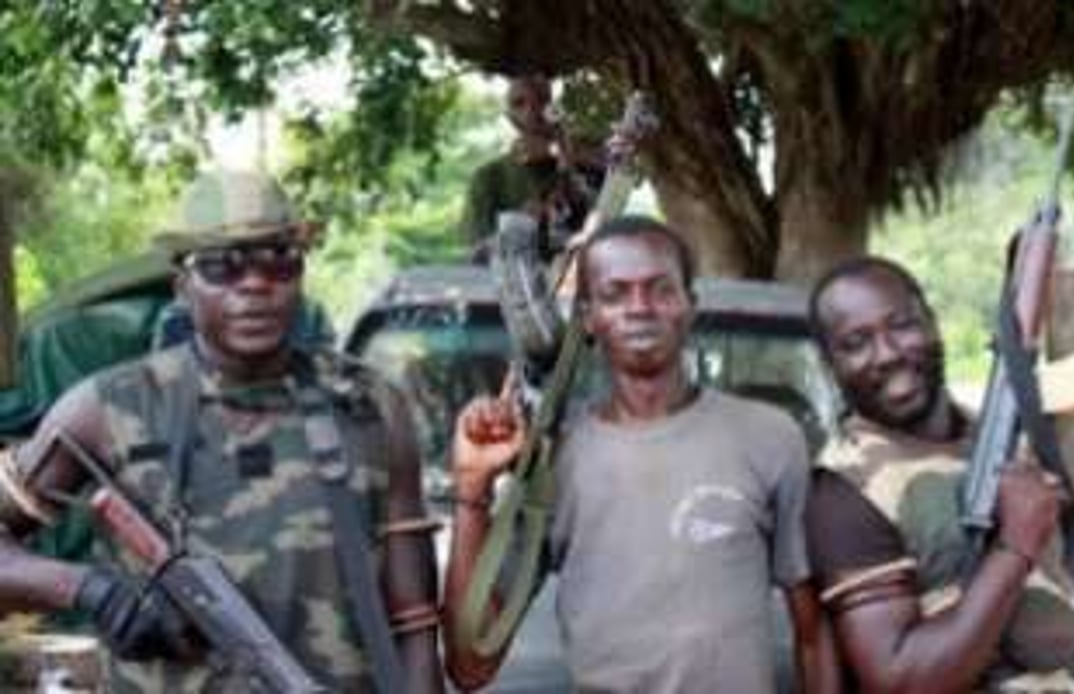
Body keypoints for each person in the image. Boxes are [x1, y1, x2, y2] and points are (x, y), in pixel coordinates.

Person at [0, 171, 442, 692]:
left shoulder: (371, 406)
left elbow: (414, 624)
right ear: (182, 285)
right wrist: (90, 590)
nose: (254, 284)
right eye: (221, 266)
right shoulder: (107, 409)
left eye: (278, 259)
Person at [442, 215, 832, 692]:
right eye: (614, 293)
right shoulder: (554, 463)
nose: (639, 307)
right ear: (587, 316)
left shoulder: (770, 438)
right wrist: (471, 489)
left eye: (661, 289)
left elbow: (814, 636)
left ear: (691, 305)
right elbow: (470, 665)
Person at [804, 255, 1074, 691]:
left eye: (900, 325)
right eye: (856, 342)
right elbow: (901, 677)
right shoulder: (844, 490)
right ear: (829, 366)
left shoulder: (995, 432)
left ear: (932, 323)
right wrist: (1015, 545)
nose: (888, 353)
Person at [458, 74, 603, 263]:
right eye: (519, 103)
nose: (532, 110)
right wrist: (520, 224)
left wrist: (556, 151)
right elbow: (474, 254)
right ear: (509, 117)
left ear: (556, 108)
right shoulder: (489, 177)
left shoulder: (585, 159)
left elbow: (624, 165)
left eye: (542, 100)